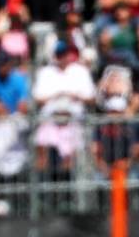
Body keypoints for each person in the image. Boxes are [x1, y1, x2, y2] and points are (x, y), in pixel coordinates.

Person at [32, 40, 95, 173]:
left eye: (65, 54)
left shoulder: (80, 71)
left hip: (73, 121)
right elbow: (38, 98)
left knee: (69, 159)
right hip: (50, 120)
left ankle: (66, 188)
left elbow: (91, 98)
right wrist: (56, 95)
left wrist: (76, 97)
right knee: (42, 154)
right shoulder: (45, 72)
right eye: (60, 54)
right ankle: (46, 188)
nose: (63, 58)